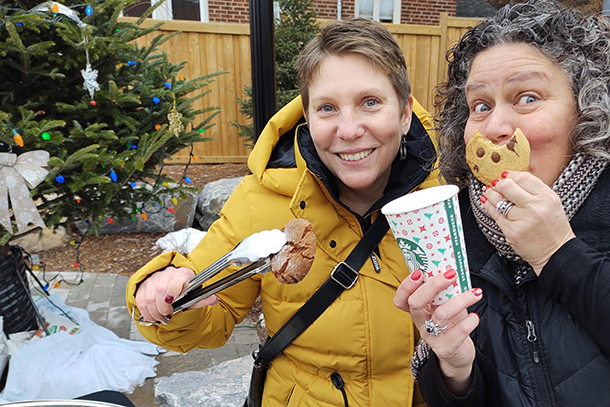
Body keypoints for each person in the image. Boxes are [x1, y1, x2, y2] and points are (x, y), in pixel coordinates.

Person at [126, 18, 440, 406]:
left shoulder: (444, 195)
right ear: (307, 117)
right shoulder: (263, 199)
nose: (349, 129)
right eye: (327, 108)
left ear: (405, 112)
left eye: (370, 102)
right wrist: (166, 296)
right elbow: (210, 314)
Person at [393, 1, 610, 406]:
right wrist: (453, 370)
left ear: (587, 110)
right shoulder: (451, 230)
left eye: (527, 97)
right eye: (480, 105)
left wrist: (559, 254)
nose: (494, 128)